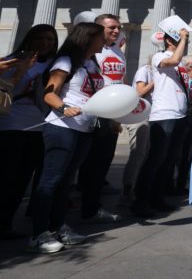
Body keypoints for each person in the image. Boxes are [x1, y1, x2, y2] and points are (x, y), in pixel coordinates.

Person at [30, 22, 105, 253]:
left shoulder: (92, 63)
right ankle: (38, 234)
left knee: (66, 182)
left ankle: (58, 226)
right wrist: (64, 108)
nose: (104, 41)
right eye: (101, 37)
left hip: (84, 129)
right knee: (51, 181)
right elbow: (49, 94)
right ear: (88, 38)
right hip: (62, 127)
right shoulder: (65, 61)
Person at [0, 24, 58, 240]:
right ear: (30, 39)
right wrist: (21, 70)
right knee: (7, 176)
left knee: (23, 177)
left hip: (39, 126)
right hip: (11, 124)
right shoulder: (11, 61)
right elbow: (5, 89)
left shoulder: (54, 64)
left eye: (50, 39)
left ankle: (6, 223)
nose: (45, 43)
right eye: (40, 38)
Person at [132, 29, 190, 218]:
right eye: (178, 40)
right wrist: (183, 38)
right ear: (168, 41)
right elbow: (173, 60)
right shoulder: (160, 57)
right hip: (164, 114)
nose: (184, 43)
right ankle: (140, 201)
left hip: (179, 114)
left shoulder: (180, 64)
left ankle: (157, 198)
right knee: (156, 159)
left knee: (169, 160)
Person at [78, 13, 125, 224]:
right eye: (111, 27)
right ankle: (88, 207)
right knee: (90, 162)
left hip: (112, 113)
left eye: (118, 27)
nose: (116, 30)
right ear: (98, 29)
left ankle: (91, 206)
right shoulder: (90, 52)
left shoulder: (118, 51)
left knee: (102, 162)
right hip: (95, 112)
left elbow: (119, 80)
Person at [119, 56, 154, 206]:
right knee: (138, 153)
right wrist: (155, 82)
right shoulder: (145, 71)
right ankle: (127, 191)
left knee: (146, 153)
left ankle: (138, 188)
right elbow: (139, 92)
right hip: (139, 114)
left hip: (152, 115)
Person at [173, 55, 192, 194]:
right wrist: (190, 77)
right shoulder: (179, 75)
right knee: (178, 151)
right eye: (191, 66)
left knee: (188, 152)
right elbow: (184, 93)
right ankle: (171, 182)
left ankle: (181, 183)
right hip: (181, 116)